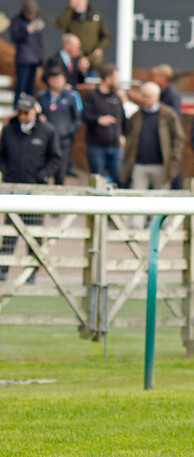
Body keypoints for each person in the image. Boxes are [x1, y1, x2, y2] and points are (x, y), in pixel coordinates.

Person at [0, 95, 61, 283]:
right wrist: (5, 171)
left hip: (35, 192)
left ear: (34, 111)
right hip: (13, 189)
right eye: (19, 112)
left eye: (25, 112)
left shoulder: (47, 131)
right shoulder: (9, 130)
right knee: (9, 233)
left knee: (34, 234)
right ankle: (2, 271)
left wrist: (42, 175)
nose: (22, 116)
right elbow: (1, 154)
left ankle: (31, 273)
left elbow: (56, 157)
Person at [119, 82, 185, 192]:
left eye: (148, 97)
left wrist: (174, 158)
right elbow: (128, 134)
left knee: (161, 200)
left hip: (161, 165)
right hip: (139, 165)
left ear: (157, 97)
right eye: (143, 96)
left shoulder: (167, 115)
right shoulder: (136, 116)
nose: (145, 99)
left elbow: (179, 138)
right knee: (137, 197)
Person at [37, 66, 82, 185]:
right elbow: (38, 114)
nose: (56, 82)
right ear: (49, 80)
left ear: (64, 80)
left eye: (59, 79)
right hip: (46, 139)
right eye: (54, 79)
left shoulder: (72, 96)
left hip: (63, 140)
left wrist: (67, 130)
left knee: (60, 173)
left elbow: (78, 119)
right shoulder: (42, 95)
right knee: (44, 171)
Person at [82, 63, 125, 186]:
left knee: (117, 179)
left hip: (115, 146)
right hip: (96, 146)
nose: (118, 81)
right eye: (116, 77)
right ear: (107, 79)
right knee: (98, 179)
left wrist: (123, 135)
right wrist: (98, 120)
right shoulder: (92, 96)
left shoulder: (117, 97)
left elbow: (123, 120)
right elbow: (84, 116)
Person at [55, 0, 109, 70]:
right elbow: (61, 24)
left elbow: (106, 36)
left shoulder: (95, 17)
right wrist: (70, 8)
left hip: (92, 57)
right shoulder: (70, 16)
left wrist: (99, 48)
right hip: (74, 58)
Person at [10, 0, 45, 104]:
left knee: (31, 86)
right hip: (23, 59)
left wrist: (40, 57)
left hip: (34, 58)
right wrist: (26, 31)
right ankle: (17, 107)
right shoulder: (17, 21)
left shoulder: (36, 21)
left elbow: (38, 42)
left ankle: (29, 107)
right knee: (21, 85)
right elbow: (15, 37)